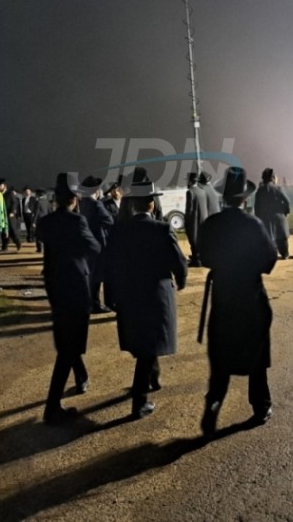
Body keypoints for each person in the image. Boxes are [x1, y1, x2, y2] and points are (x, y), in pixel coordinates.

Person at [197, 166, 277, 436]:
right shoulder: (253, 224)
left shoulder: (212, 224)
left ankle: (214, 403)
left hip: (223, 295)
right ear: (244, 197)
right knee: (256, 353)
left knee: (221, 355)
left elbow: (204, 257)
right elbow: (269, 261)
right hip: (250, 296)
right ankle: (261, 405)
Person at [106, 176, 188, 419]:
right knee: (147, 347)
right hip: (156, 294)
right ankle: (139, 401)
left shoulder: (119, 230)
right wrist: (181, 280)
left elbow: (109, 266)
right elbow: (178, 262)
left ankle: (154, 377)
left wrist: (110, 295)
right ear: (151, 203)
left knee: (144, 340)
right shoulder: (161, 229)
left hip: (129, 294)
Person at [36, 172, 101, 424]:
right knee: (68, 346)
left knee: (67, 339)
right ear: (74, 198)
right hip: (75, 286)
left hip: (55, 286)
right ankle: (52, 407)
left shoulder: (45, 222)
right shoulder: (78, 222)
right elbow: (94, 248)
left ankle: (81, 376)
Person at [78, 175, 115, 313]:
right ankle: (96, 304)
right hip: (99, 243)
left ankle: (92, 303)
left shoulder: (83, 203)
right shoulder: (96, 204)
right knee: (98, 275)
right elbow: (109, 220)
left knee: (92, 274)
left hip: (88, 243)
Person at [254, 168, 291, 259]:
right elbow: (287, 201)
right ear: (273, 178)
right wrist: (286, 212)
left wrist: (258, 217)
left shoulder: (260, 191)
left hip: (265, 217)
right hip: (279, 216)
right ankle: (285, 254)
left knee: (269, 237)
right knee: (282, 237)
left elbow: (256, 206)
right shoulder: (278, 188)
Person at [184, 171, 208, 266]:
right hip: (203, 219)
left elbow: (189, 209)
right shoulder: (202, 190)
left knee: (193, 239)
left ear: (190, 181)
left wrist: (186, 220)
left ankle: (196, 260)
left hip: (193, 220)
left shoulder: (190, 192)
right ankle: (200, 258)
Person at [0, 180, 22, 252]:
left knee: (12, 231)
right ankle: (4, 247)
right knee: (4, 231)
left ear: (4, 186)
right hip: (2, 215)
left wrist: (13, 212)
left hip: (10, 215)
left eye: (0, 185)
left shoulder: (10, 193)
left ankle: (18, 243)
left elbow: (14, 203)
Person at [34, 188, 52, 253]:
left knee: (38, 234)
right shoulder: (47, 202)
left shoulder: (38, 202)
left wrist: (34, 221)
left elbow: (36, 212)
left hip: (39, 219)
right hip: (46, 219)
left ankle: (39, 248)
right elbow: (50, 211)